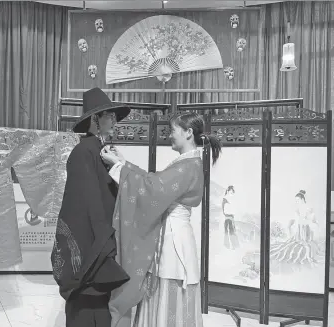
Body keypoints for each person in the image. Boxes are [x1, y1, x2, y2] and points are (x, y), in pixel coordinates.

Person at [100, 112, 222, 327]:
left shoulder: (188, 165)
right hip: (171, 233)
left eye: (173, 130)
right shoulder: (187, 163)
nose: (169, 135)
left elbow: (153, 188)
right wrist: (123, 163)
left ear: (188, 132)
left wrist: (119, 168)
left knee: (167, 286)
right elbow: (154, 182)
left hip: (173, 239)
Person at [51, 87, 131, 327]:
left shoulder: (100, 151)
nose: (114, 119)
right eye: (109, 115)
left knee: (98, 308)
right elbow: (85, 204)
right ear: (95, 119)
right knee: (87, 309)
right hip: (90, 244)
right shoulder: (83, 152)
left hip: (99, 239)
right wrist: (103, 241)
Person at [222, 185, 239, 250]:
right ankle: (229, 246)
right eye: (231, 192)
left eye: (233, 192)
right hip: (228, 217)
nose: (232, 193)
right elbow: (225, 210)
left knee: (231, 231)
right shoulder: (225, 199)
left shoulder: (231, 199)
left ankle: (233, 245)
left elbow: (233, 209)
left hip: (231, 217)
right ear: (228, 191)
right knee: (229, 231)